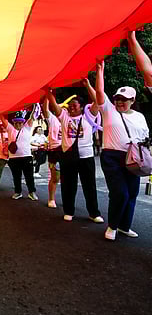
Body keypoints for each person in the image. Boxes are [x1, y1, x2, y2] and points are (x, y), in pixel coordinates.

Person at [94, 31, 150, 240]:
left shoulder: (140, 117)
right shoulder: (108, 110)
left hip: (133, 158)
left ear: (132, 100)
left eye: (124, 99)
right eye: (118, 98)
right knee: (120, 193)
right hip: (112, 157)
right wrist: (100, 70)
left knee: (133, 194)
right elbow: (100, 93)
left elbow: (145, 138)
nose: (119, 101)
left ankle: (125, 226)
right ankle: (112, 226)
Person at [46, 87, 103, 223]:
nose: (71, 108)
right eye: (70, 106)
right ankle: (68, 211)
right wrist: (48, 91)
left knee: (89, 185)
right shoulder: (64, 116)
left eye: (74, 106)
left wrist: (87, 84)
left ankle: (94, 213)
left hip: (86, 157)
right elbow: (54, 105)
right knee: (68, 185)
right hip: (68, 157)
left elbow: (98, 100)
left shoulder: (89, 116)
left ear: (82, 107)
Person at [0, 110, 38, 200]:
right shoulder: (10, 129)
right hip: (14, 158)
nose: (18, 124)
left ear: (23, 122)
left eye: (20, 122)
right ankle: (18, 192)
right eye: (16, 122)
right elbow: (2, 117)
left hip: (26, 157)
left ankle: (32, 192)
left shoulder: (27, 127)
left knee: (29, 176)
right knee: (16, 176)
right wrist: (2, 108)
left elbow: (32, 117)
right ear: (14, 122)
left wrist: (35, 106)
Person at [41, 98, 61, 208]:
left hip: (68, 152)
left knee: (68, 178)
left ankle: (67, 199)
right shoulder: (53, 120)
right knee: (55, 177)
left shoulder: (71, 119)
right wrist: (48, 95)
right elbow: (45, 109)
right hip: (55, 151)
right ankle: (51, 199)